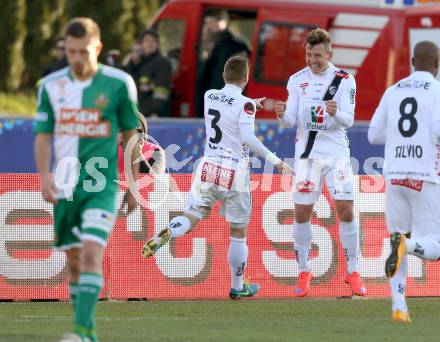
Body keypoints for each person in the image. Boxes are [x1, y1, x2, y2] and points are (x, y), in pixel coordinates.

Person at [142, 56, 292, 299]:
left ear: (223, 76)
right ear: (246, 79)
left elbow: (228, 107)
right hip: (235, 171)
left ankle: (170, 230)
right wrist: (277, 162)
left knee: (192, 214)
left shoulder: (210, 95)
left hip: (208, 166)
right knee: (238, 231)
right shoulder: (245, 105)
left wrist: (250, 104)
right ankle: (237, 286)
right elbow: (248, 137)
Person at [33, 17, 140, 342]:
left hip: (100, 186)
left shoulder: (119, 83)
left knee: (92, 252)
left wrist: (134, 184)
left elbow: (131, 135)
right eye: (71, 52)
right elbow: (42, 135)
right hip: (66, 186)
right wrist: (44, 178)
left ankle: (79, 331)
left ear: (98, 48)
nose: (77, 59)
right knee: (75, 261)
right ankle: (89, 331)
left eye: (83, 52)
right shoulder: (50, 86)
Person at [274, 28, 366, 297]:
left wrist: (336, 114)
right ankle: (304, 270)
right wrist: (282, 115)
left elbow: (349, 120)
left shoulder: (344, 80)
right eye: (308, 54)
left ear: (329, 54)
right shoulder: (296, 80)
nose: (312, 60)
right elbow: (291, 121)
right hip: (307, 158)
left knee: (346, 210)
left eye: (317, 55)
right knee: (302, 214)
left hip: (337, 155)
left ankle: (353, 271)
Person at [368, 41, 440, 323]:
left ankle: (399, 307)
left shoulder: (392, 90)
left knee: (397, 237)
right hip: (425, 176)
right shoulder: (437, 90)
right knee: (433, 245)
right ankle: (407, 247)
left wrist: (400, 140)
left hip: (395, 174)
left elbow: (374, 135)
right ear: (437, 63)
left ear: (412, 61)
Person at [197, 10, 250, 117]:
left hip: (221, 103)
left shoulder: (234, 46)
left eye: (211, 21)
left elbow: (233, 78)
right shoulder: (207, 44)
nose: (208, 26)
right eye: (206, 22)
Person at [136, 29, 172, 117]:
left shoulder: (162, 63)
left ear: (158, 44)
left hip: (154, 116)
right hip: (142, 113)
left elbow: (161, 92)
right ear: (141, 44)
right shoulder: (141, 63)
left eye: (153, 41)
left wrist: (155, 113)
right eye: (147, 41)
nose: (150, 43)